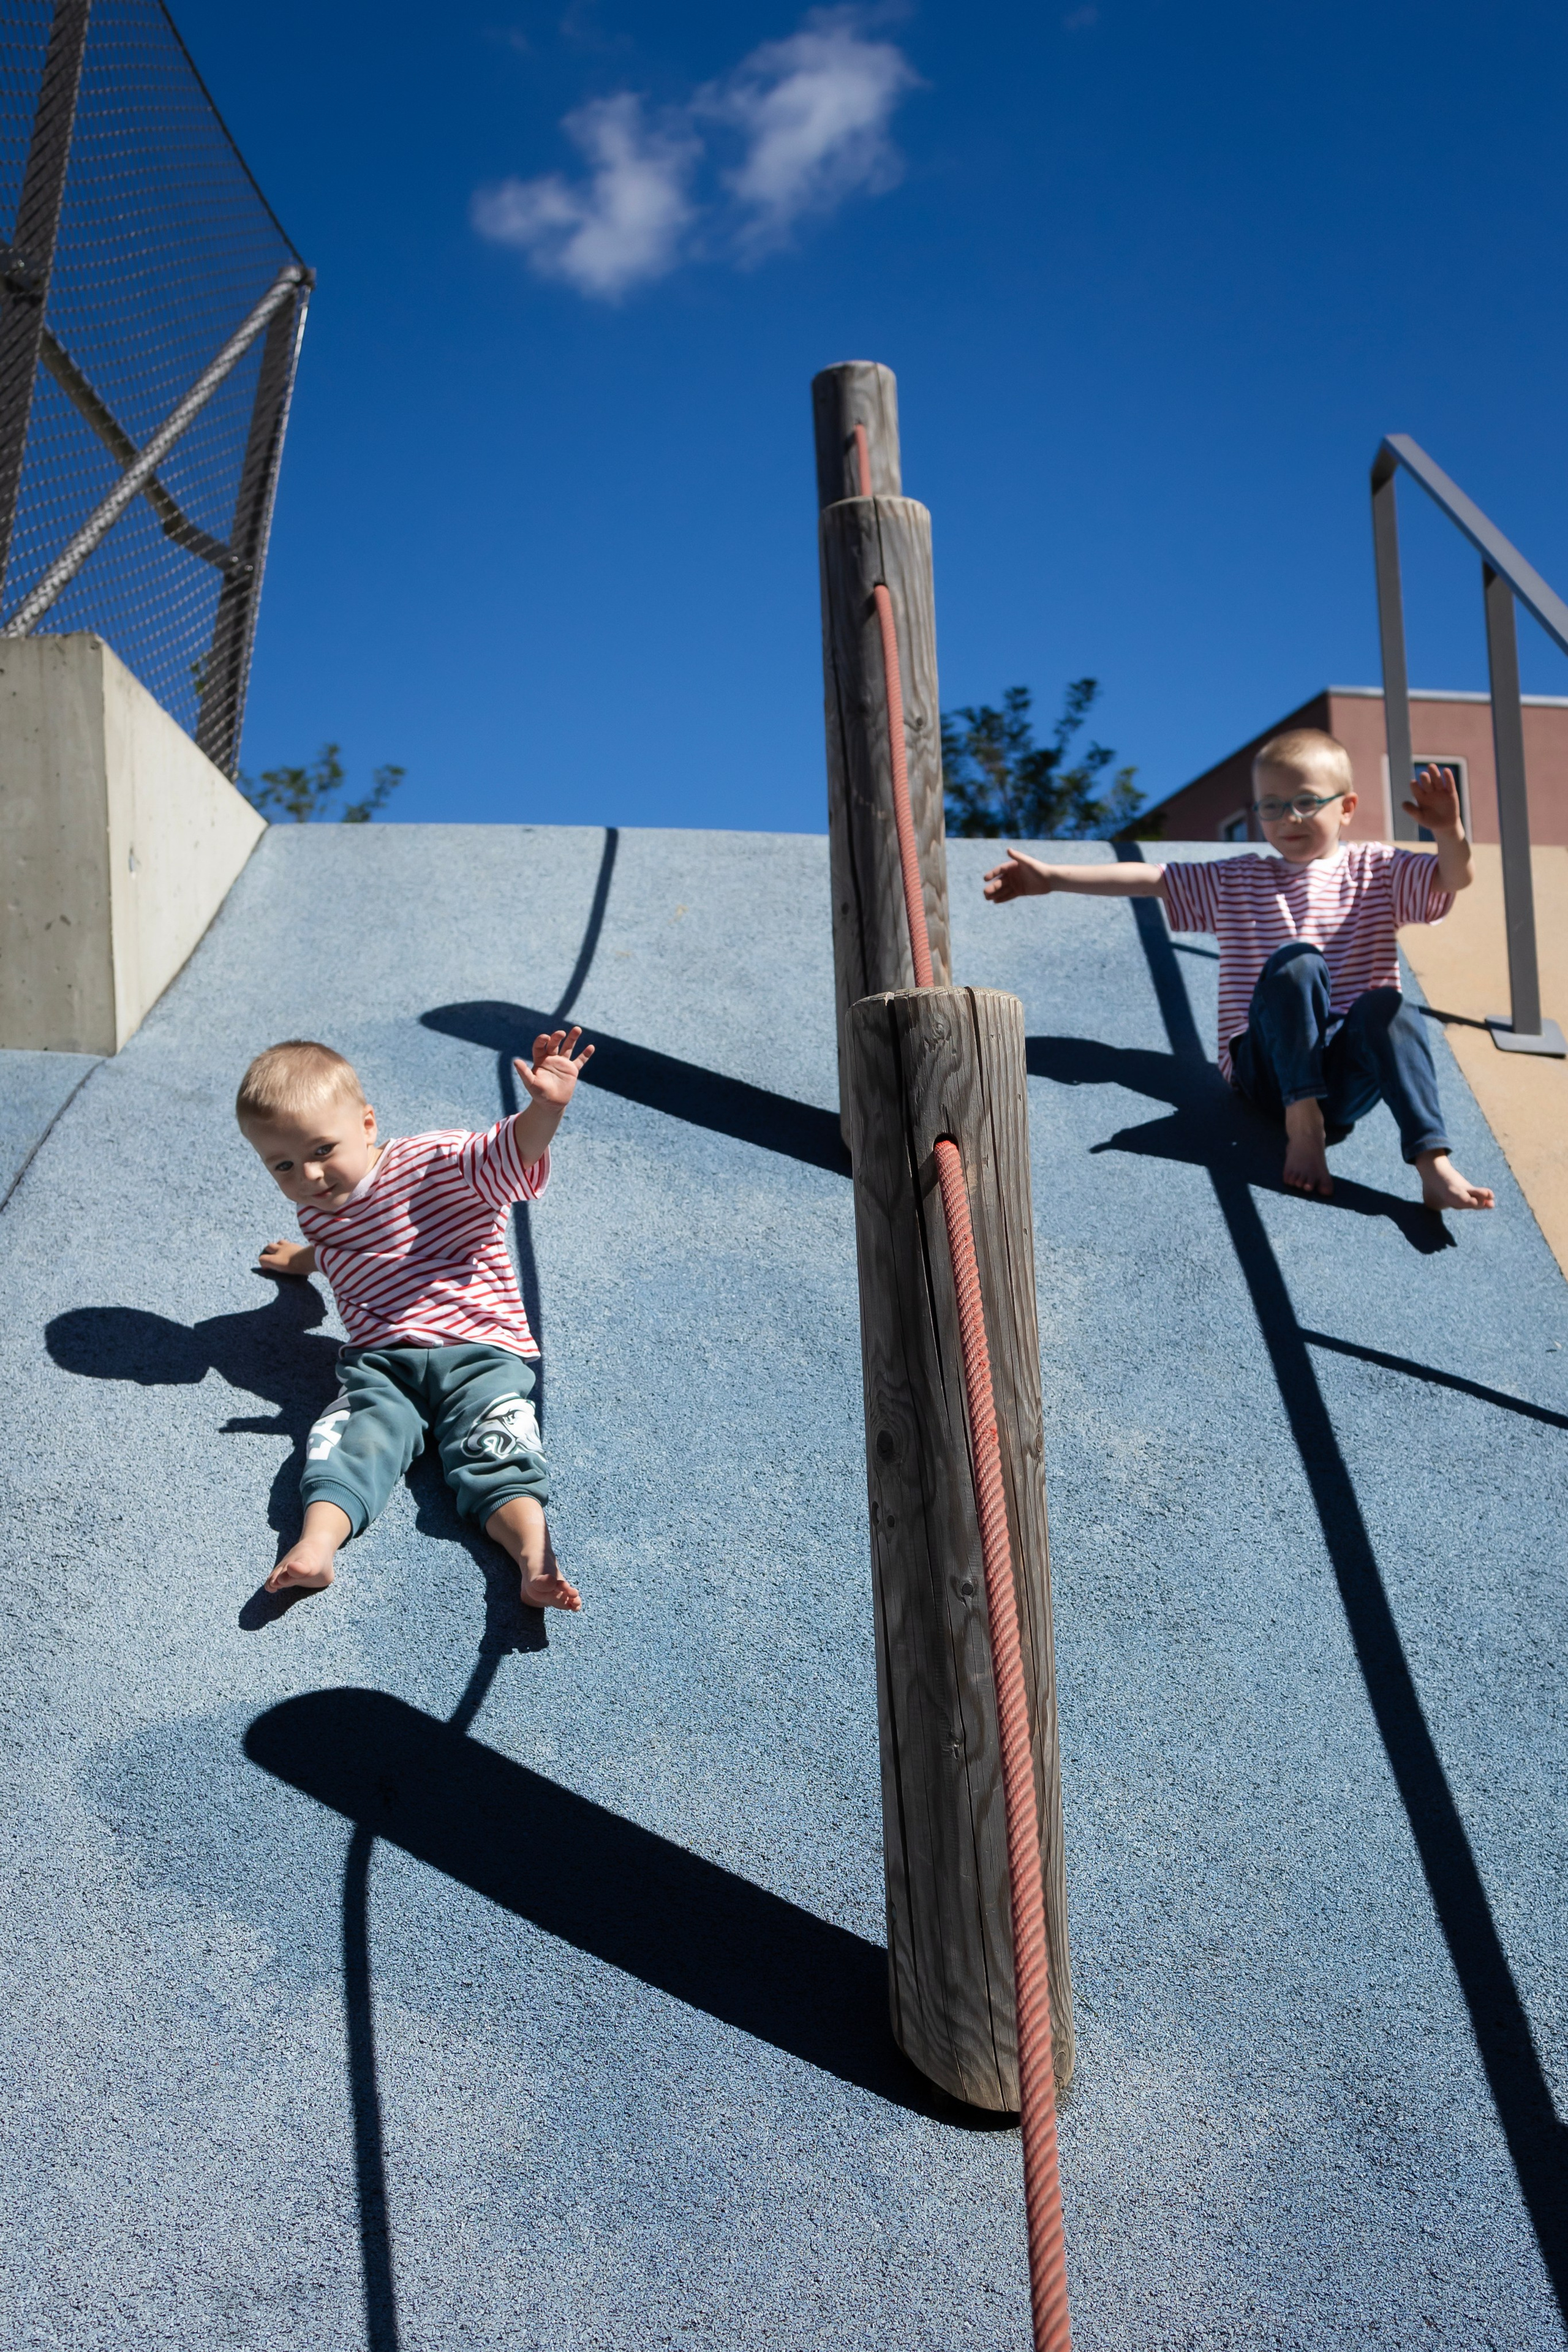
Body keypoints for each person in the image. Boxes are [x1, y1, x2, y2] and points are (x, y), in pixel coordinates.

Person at [983, 727, 1494, 1214]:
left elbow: (1453, 878)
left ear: (1347, 808)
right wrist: (1052, 878)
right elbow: (1149, 879)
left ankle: (1433, 1164)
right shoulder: (1240, 878)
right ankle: (1303, 1123)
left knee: (1390, 1007)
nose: (1289, 818)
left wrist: (1449, 830)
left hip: (1345, 1081)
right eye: (1271, 807)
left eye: (1306, 802)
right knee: (1298, 963)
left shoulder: (1377, 870)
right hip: (1267, 1071)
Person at [235, 1027, 595, 1608]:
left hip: (478, 1348)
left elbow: (512, 1151)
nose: (309, 1178)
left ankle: (534, 1556)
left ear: (368, 1124)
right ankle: (316, 1545)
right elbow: (342, 1250)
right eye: (282, 1166)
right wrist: (299, 1263)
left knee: (496, 1443)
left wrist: (544, 1108)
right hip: (383, 1363)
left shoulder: (439, 1164)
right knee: (352, 1439)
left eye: (323, 1150)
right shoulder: (317, 1211)